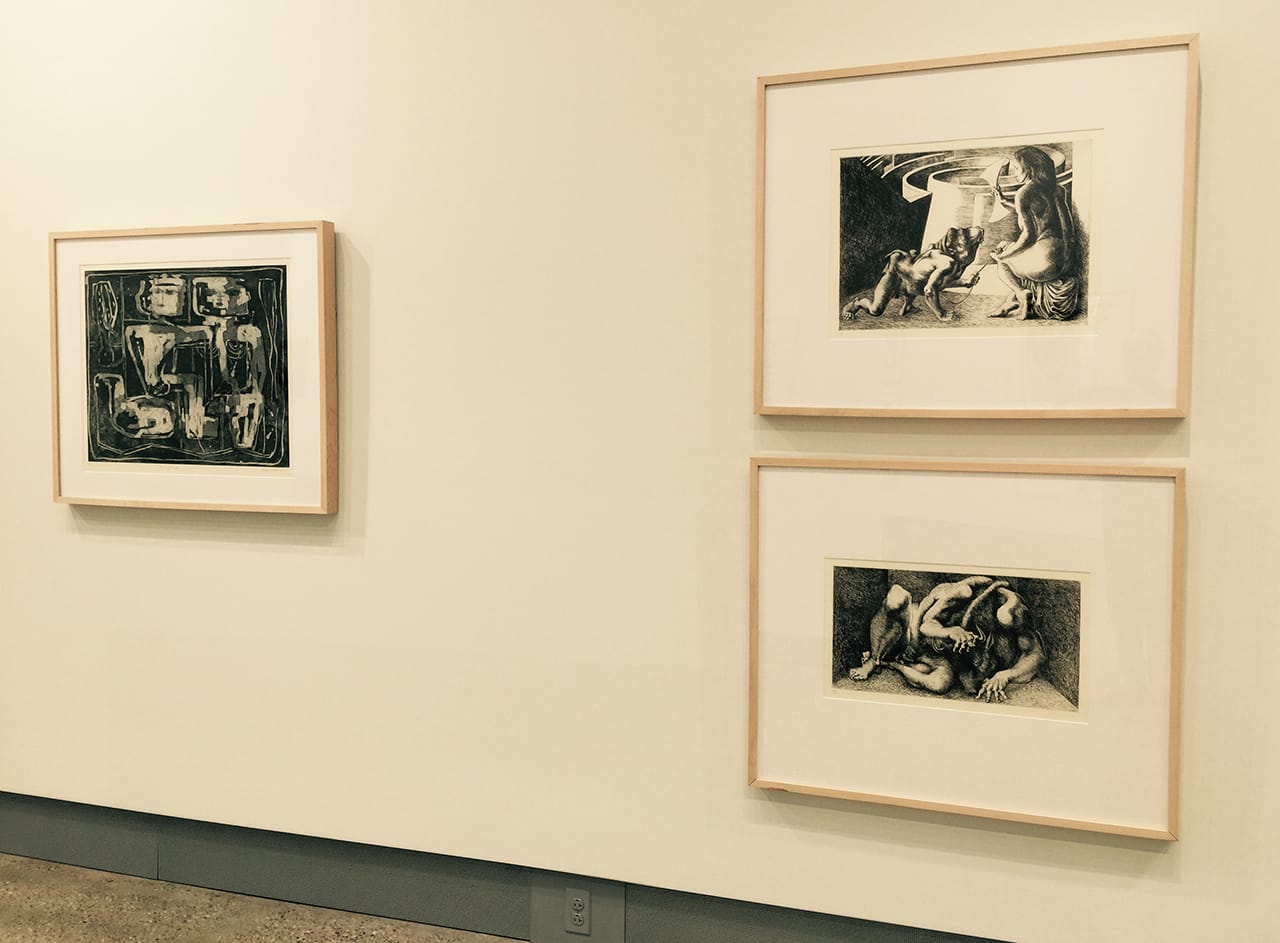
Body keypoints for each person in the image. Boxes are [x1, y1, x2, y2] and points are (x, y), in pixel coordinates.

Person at [989, 146, 1082, 320]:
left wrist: (1003, 256)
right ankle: (1011, 302)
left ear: (1029, 169)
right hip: (1060, 256)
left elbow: (1028, 236)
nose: (1015, 172)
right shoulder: (1057, 189)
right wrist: (1004, 201)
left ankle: (1020, 294)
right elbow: (1064, 226)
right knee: (1011, 251)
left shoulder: (1023, 193)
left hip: (1043, 260)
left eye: (1017, 168)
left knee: (1002, 256)